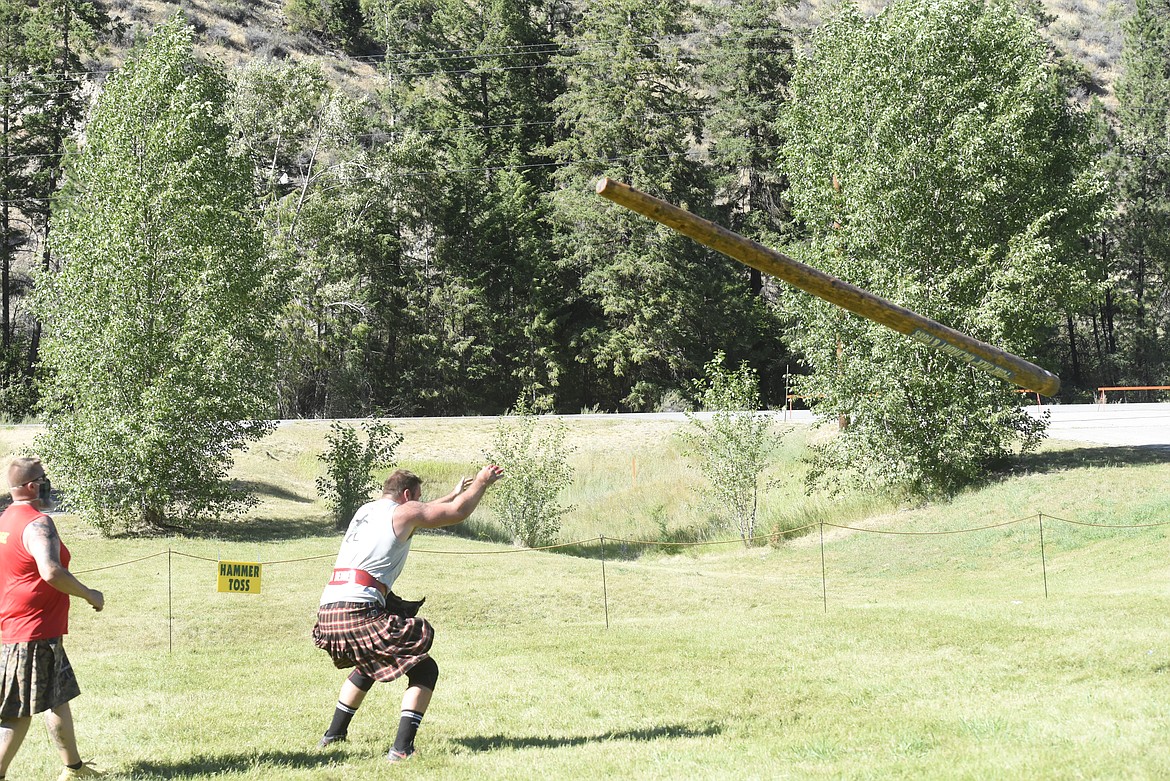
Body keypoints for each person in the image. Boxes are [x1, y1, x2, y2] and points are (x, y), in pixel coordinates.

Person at [313, 464, 504, 762]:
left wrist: (451, 495)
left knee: (370, 663)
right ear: (406, 495)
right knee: (425, 669)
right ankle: (401, 749)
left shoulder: (366, 510)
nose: (419, 502)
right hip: (358, 607)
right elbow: (457, 513)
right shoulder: (403, 512)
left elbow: (419, 510)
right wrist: (481, 482)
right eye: (416, 497)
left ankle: (333, 735)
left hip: (328, 610)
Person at [0, 457, 105, 781]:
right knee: (17, 710)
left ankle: (74, 769)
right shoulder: (38, 523)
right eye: (44, 478)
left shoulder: (5, 520)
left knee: (55, 698)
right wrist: (89, 594)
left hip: (23, 625)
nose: (48, 483)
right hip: (32, 629)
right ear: (33, 485)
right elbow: (51, 571)